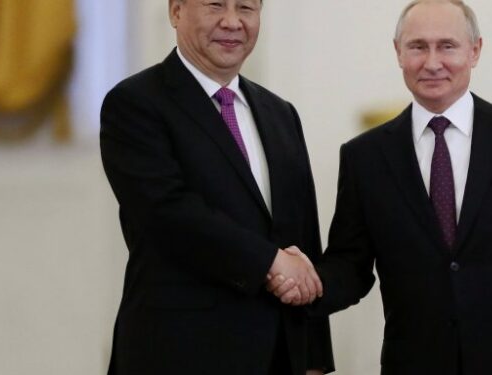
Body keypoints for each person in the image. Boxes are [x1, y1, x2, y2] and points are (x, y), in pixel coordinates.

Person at [269, 0, 492, 374]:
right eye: (418, 46)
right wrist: (304, 283)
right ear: (398, 53)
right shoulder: (366, 156)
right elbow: (351, 265)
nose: (432, 62)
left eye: (447, 46)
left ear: (475, 51)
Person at [100, 0, 333, 374]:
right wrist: (270, 261)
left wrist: (315, 358)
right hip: (179, 352)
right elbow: (167, 214)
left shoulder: (280, 113)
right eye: (215, 5)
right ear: (176, 11)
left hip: (278, 356)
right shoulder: (134, 103)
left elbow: (303, 239)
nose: (232, 22)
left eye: (246, 8)